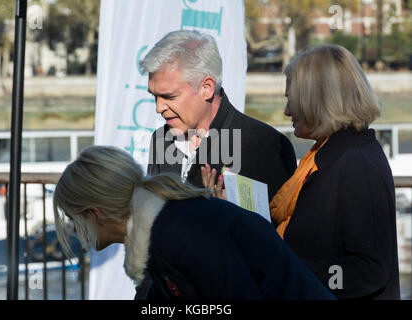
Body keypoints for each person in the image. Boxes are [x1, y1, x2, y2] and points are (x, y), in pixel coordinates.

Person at [53, 145, 335, 300]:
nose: (74, 229)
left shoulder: (179, 230)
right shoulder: (166, 224)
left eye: (72, 217)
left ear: (96, 212)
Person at [269, 44, 400, 299]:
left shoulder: (356, 164)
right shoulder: (330, 156)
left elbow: (368, 271)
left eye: (290, 100)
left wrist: (295, 270)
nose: (287, 111)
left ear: (316, 100)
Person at [140, 30, 296, 201]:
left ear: (206, 88)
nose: (158, 107)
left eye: (169, 96)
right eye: (154, 96)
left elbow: (279, 224)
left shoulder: (265, 146)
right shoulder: (161, 140)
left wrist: (225, 214)